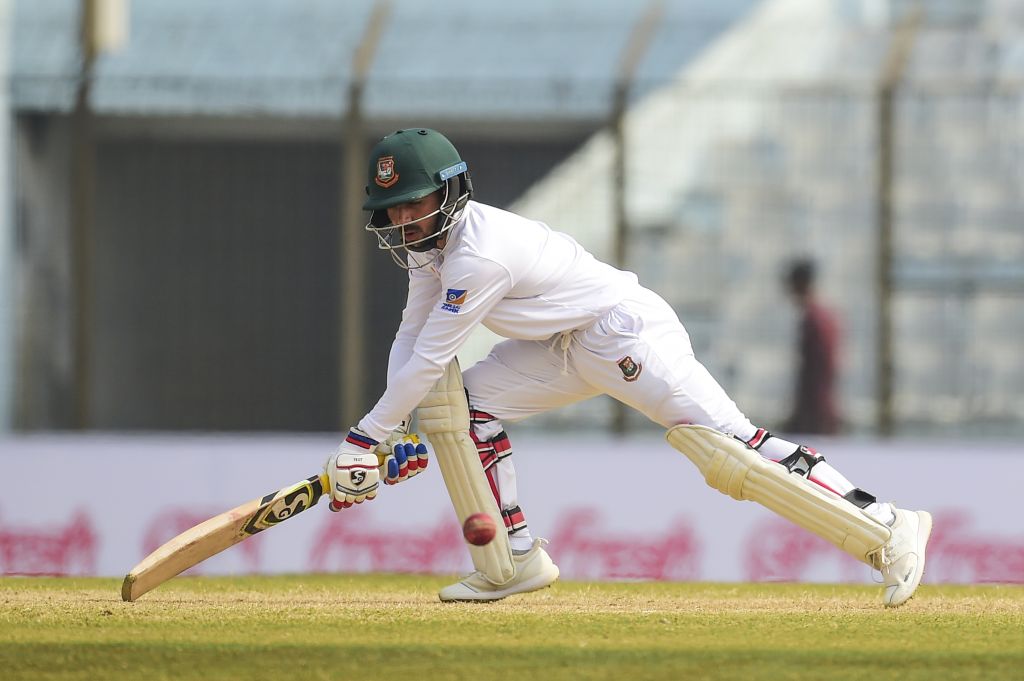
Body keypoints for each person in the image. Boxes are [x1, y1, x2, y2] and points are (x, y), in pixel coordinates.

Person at [324, 128, 931, 607]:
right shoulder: (432, 251)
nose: (404, 221)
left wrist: (363, 439)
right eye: (394, 210)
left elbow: (432, 355)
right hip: (559, 348)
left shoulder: (478, 255)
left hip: (621, 333)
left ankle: (888, 525)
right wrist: (392, 431)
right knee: (461, 408)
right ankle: (512, 561)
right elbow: (410, 340)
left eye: (415, 204)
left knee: (730, 451)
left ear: (450, 191)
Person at [783, 259, 841, 434]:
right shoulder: (818, 316)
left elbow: (819, 370)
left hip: (816, 412)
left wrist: (810, 412)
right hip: (817, 409)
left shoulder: (816, 319)